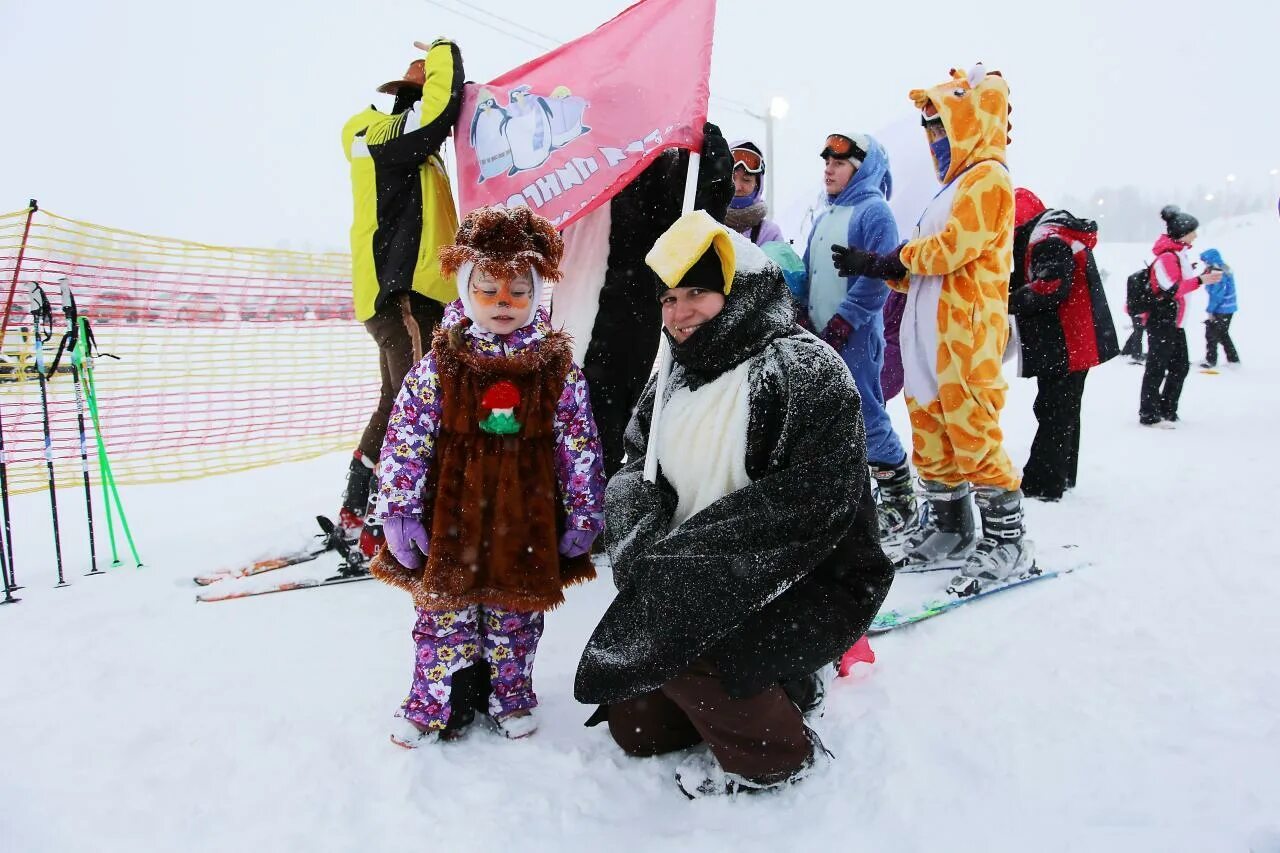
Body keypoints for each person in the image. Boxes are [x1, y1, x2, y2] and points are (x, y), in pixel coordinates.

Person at [574, 210, 893, 799]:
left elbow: (806, 508)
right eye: (669, 299)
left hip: (805, 578)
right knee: (636, 727)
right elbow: (633, 470)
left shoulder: (804, 369)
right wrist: (639, 539)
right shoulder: (671, 373)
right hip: (689, 572)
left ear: (740, 288)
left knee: (691, 644)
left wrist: (679, 575)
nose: (680, 312)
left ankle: (782, 757)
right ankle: (775, 688)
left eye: (698, 292)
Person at [370, 206, 606, 748]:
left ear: (537, 292)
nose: (504, 302)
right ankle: (429, 701)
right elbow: (406, 436)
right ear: (465, 288)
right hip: (451, 516)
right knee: (442, 617)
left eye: (519, 290)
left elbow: (580, 445)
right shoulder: (440, 362)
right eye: (489, 289)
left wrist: (583, 512)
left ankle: (512, 693)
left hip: (524, 517)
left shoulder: (557, 369)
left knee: (516, 617)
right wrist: (401, 509)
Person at [828, 65, 1031, 596]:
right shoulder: (949, 189)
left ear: (970, 124)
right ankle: (950, 527)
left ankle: (1008, 539)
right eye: (930, 130)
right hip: (927, 336)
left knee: (971, 429)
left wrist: (888, 259)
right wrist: (887, 268)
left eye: (942, 127)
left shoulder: (988, 177)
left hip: (964, 336)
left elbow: (951, 250)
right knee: (931, 428)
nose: (934, 141)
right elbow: (921, 269)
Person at [338, 39, 465, 554]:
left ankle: (359, 504)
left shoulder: (420, 159)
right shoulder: (374, 134)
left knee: (398, 401)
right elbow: (436, 115)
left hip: (414, 297)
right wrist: (443, 53)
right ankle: (392, 519)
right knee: (421, 405)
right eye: (416, 93)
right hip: (402, 295)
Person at [560, 124, 734, 478]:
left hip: (623, 328)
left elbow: (691, 224)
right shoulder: (563, 153)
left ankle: (595, 523)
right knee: (556, 445)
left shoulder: (648, 158)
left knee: (602, 447)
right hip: (557, 326)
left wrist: (706, 171)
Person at [797, 132, 914, 541]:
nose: (829, 168)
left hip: (857, 337)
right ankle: (847, 498)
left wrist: (845, 322)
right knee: (827, 416)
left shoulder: (873, 211)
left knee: (865, 412)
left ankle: (899, 497)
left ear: (862, 169)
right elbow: (811, 270)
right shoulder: (826, 214)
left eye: (839, 163)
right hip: (821, 336)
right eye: (826, 161)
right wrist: (803, 311)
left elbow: (879, 276)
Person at [1008, 189, 1118, 501]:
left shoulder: (1047, 240)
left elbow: (1050, 287)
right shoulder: (1052, 233)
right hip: (1077, 340)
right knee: (1064, 409)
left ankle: (1043, 484)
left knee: (1052, 409)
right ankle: (1062, 474)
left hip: (1066, 341)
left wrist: (1003, 301)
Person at [1138, 206, 1222, 427]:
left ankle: (1167, 410)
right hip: (1162, 321)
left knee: (1179, 366)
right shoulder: (1167, 257)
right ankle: (1149, 414)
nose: (1195, 235)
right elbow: (1171, 288)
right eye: (1192, 231)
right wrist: (1201, 281)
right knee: (1157, 367)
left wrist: (1198, 276)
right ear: (1182, 232)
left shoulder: (1178, 254)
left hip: (1174, 322)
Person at [724, 140, 784, 246]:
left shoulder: (770, 234)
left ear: (758, 184)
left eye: (746, 180)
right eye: (732, 178)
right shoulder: (708, 223)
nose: (737, 187)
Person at [1199, 247, 1239, 368]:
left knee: (1211, 333)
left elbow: (1216, 294)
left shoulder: (1216, 271)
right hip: (1229, 308)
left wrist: (1210, 310)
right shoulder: (1223, 267)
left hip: (1222, 308)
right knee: (1222, 333)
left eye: (1205, 260)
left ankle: (1211, 360)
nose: (1204, 263)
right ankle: (1233, 359)